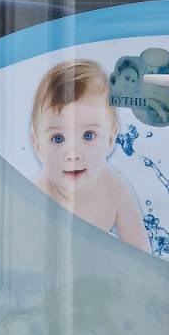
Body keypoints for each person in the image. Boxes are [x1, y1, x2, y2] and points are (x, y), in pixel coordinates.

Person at [29, 58, 148, 251]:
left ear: (111, 138)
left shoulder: (115, 188)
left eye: (88, 135)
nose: (73, 155)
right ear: (37, 145)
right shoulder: (36, 197)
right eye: (58, 138)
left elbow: (142, 254)